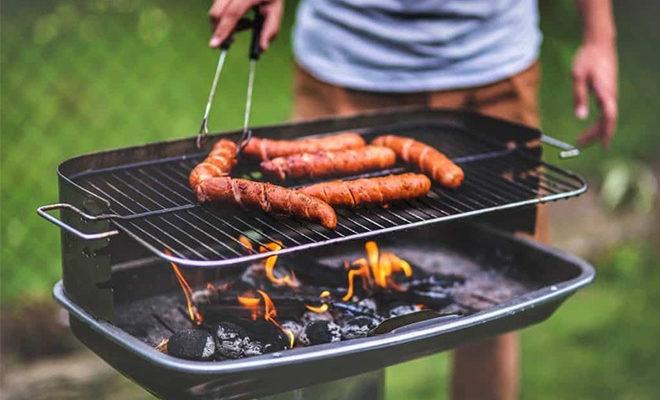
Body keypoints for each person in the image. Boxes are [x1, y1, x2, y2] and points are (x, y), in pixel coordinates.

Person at [208, 1, 618, 399]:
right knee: (321, 309)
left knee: (497, 304)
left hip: (490, 65)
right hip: (345, 59)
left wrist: (600, 37)